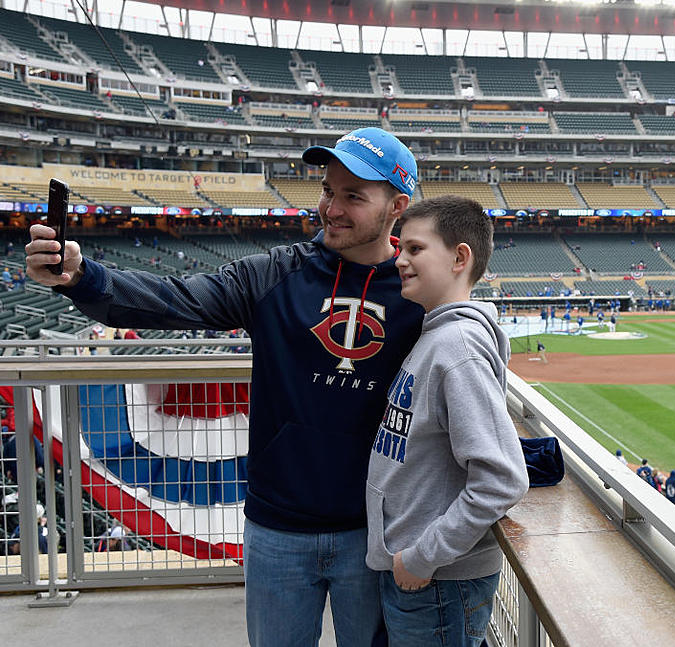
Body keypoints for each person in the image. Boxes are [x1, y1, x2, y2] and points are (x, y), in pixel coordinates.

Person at [25, 126, 425, 647]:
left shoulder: (420, 288)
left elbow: (460, 387)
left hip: (375, 532)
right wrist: (81, 278)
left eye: (354, 196)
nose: (332, 207)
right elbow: (173, 300)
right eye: (328, 189)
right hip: (276, 529)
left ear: (397, 205)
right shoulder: (275, 274)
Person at [366, 195, 529, 646]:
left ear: (460, 257)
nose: (399, 260)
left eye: (415, 249)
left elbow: (502, 479)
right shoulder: (438, 335)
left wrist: (423, 556)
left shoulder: (456, 347)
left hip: (437, 579)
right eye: (400, 248)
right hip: (424, 573)